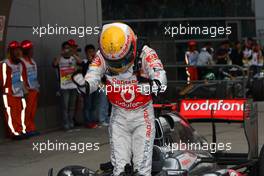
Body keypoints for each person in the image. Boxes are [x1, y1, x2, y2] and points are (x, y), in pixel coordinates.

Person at [72, 22, 167, 175]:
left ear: (131, 45)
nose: (118, 65)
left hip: (142, 115)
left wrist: (152, 85)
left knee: (142, 168)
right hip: (118, 115)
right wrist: (84, 85)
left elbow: (160, 77)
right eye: (113, 62)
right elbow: (92, 78)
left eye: (121, 60)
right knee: (120, 168)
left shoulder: (146, 53)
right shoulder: (102, 55)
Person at [0, 41, 27, 140]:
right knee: (11, 113)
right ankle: (14, 132)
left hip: (19, 91)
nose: (18, 53)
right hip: (8, 93)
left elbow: (23, 78)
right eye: (15, 50)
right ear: (10, 52)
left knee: (20, 112)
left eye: (19, 50)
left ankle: (20, 130)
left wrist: (25, 91)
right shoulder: (4, 64)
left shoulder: (20, 64)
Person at [52, 41, 82, 130]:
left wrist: (73, 53)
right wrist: (60, 54)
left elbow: (80, 62)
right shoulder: (59, 58)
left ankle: (71, 122)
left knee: (72, 106)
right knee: (65, 106)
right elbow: (54, 64)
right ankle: (65, 124)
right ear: (62, 49)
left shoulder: (73, 58)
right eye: (65, 48)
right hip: (64, 86)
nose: (67, 50)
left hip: (73, 85)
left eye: (68, 48)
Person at [20, 40, 40, 136]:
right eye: (31, 49)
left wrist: (37, 87)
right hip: (28, 90)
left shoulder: (33, 61)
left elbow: (35, 75)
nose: (33, 51)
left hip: (34, 89)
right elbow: (21, 77)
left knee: (33, 110)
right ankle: (26, 129)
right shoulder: (21, 62)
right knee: (27, 110)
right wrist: (25, 90)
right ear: (26, 50)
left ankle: (31, 128)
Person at [82, 44, 98, 129]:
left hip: (95, 86)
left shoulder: (97, 62)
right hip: (87, 87)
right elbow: (84, 72)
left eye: (93, 51)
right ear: (86, 53)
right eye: (89, 52)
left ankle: (93, 121)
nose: (91, 53)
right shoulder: (85, 62)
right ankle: (88, 122)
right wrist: (89, 62)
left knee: (94, 105)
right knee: (87, 105)